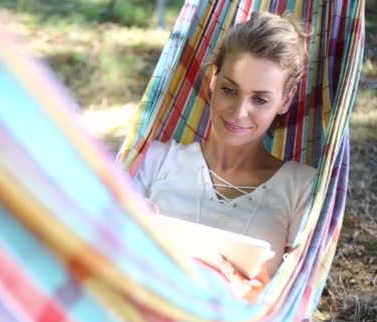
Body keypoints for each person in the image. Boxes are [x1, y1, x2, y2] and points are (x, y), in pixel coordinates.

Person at [130, 12, 315, 301]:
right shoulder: (154, 161)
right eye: (230, 90)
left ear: (285, 100)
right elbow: (107, 249)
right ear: (213, 78)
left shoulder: (301, 186)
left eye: (260, 99)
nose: (239, 112)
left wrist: (254, 297)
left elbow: (293, 300)